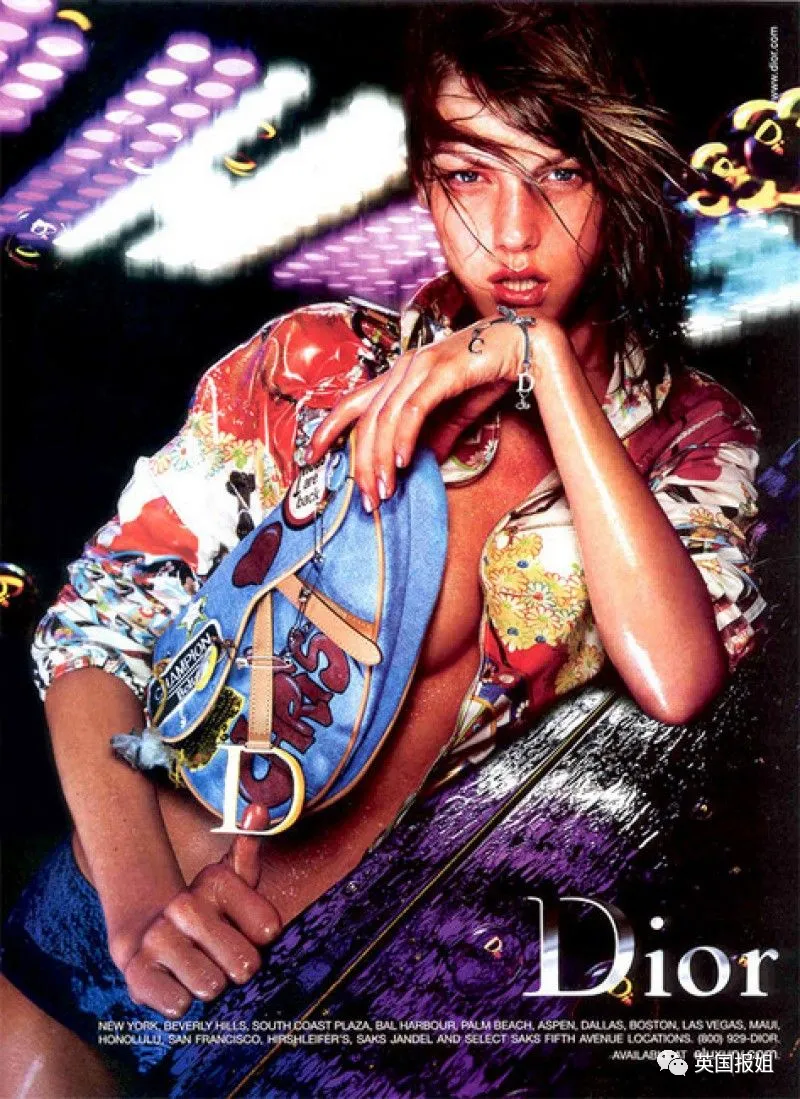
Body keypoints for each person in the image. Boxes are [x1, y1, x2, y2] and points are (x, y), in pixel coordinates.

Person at [1, 3, 764, 1095]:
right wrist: (135, 904)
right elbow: (95, 626)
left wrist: (540, 361)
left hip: (331, 999)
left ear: (620, 178)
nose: (510, 233)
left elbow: (678, 675)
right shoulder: (315, 361)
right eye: (467, 175)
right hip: (111, 912)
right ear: (422, 185)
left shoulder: (684, 435)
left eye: (557, 174)